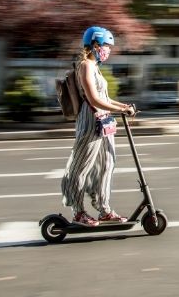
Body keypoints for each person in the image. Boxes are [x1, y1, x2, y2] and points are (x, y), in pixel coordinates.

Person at [61, 26, 136, 227]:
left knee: (107, 165)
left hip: (104, 120)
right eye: (106, 46)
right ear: (95, 44)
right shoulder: (85, 65)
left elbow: (104, 97)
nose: (108, 50)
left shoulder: (95, 67)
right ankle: (78, 212)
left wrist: (123, 106)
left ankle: (104, 210)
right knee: (81, 167)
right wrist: (120, 111)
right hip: (90, 120)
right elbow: (93, 99)